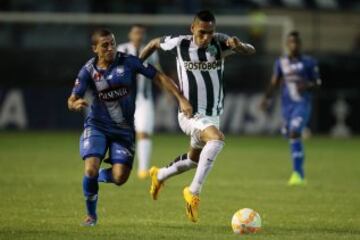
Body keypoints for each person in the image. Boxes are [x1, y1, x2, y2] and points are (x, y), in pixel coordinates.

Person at [67, 28, 192, 226]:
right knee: (90, 168)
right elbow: (72, 98)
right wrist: (74, 103)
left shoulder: (129, 62)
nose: (110, 48)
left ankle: (92, 178)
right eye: (104, 45)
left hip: (123, 130)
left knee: (119, 178)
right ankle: (91, 215)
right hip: (97, 126)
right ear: (94, 48)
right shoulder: (88, 70)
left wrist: (180, 99)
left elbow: (158, 77)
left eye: (112, 43)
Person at [140, 10, 255, 222]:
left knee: (194, 160)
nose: (205, 38)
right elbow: (154, 43)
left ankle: (160, 175)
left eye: (210, 33)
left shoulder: (220, 43)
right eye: (201, 32)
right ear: (192, 28)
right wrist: (136, 65)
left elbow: (250, 50)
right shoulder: (179, 44)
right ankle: (193, 191)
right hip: (189, 113)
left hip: (212, 115)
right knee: (217, 139)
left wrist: (239, 46)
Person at [260, 30, 321, 186]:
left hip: (302, 104)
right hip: (287, 107)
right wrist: (266, 98)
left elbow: (318, 83)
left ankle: (298, 175)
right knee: (289, 133)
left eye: (296, 42)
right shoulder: (281, 63)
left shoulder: (309, 62)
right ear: (287, 45)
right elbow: (274, 82)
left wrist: (307, 85)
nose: (293, 45)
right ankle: (296, 133)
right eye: (290, 42)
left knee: (294, 133)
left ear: (300, 44)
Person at [117, 24, 161, 179]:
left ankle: (143, 169)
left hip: (144, 98)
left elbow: (157, 73)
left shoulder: (151, 51)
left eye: (141, 33)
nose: (138, 35)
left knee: (144, 132)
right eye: (136, 32)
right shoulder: (121, 50)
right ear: (130, 34)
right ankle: (121, 163)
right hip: (124, 98)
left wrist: (169, 91)